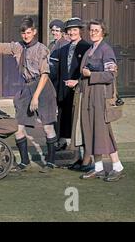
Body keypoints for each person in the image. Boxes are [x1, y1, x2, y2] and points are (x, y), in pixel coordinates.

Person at [0, 17, 58, 173]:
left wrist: (36, 97)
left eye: (29, 32)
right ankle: (24, 162)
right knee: (18, 126)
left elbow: (45, 74)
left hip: (43, 88)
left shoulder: (41, 49)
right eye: (23, 33)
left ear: (34, 32)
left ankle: (51, 162)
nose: (26, 36)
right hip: (27, 86)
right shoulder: (17, 47)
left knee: (47, 127)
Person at [79, 20, 125, 182]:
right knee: (90, 129)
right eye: (91, 30)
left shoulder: (106, 50)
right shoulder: (90, 49)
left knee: (103, 130)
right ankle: (98, 167)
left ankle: (117, 166)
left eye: (96, 30)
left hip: (100, 95)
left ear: (103, 32)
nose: (93, 33)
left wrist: (91, 75)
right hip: (89, 95)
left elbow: (110, 75)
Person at [55, 18, 91, 152]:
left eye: (75, 30)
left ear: (80, 31)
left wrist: (78, 81)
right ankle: (63, 140)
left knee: (77, 117)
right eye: (69, 30)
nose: (72, 33)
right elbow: (59, 71)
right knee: (64, 114)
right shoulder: (63, 49)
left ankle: (79, 149)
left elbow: (89, 69)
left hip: (79, 88)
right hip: (64, 88)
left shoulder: (87, 47)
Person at [48, 19, 69, 91]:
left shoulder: (65, 44)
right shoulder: (51, 45)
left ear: (62, 32)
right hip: (51, 75)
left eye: (57, 31)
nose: (54, 33)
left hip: (60, 77)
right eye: (53, 30)